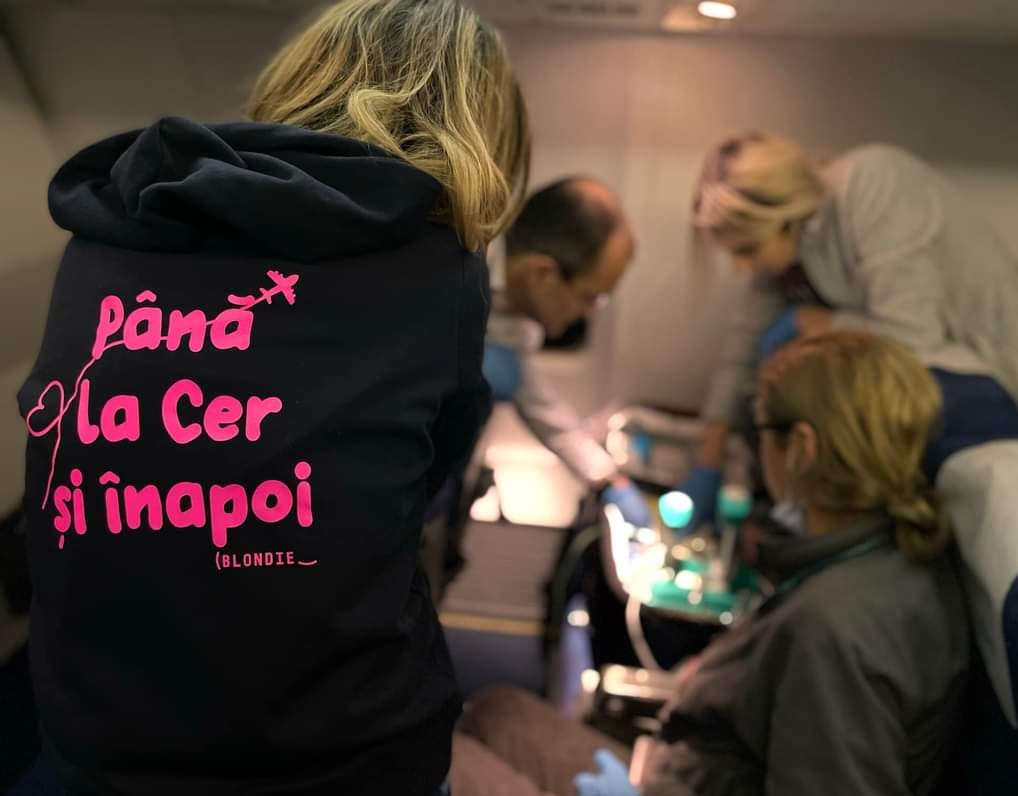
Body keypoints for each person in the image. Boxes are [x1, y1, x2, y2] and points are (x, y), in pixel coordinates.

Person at [16, 1, 529, 794]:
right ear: (478, 132)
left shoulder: (109, 230)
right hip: (337, 758)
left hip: (93, 738)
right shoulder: (441, 273)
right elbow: (423, 488)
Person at [451, 331, 970, 796]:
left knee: (442, 763)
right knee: (500, 712)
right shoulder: (879, 557)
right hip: (689, 772)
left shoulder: (836, 630)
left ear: (802, 448)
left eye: (761, 430)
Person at [679, 133, 1018, 525]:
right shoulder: (786, 246)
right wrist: (707, 464)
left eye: (746, 251)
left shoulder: (875, 183)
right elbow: (742, 352)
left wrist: (821, 323)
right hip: (950, 391)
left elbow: (912, 336)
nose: (741, 268)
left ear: (784, 214)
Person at [482, 178, 650, 527]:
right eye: (589, 296)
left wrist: (608, 480)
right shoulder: (461, 282)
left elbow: (541, 408)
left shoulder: (518, 315)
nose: (589, 312)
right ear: (543, 273)